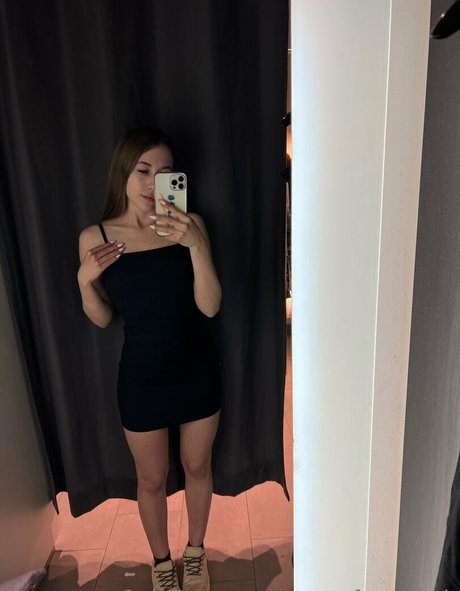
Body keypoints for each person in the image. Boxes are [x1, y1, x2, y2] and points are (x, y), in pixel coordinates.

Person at [77, 127, 222, 591]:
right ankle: (161, 563)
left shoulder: (189, 225)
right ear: (123, 171)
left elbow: (210, 306)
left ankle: (195, 553)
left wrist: (196, 244)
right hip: (142, 378)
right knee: (151, 479)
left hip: (197, 368)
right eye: (143, 170)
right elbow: (103, 318)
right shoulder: (96, 236)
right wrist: (84, 281)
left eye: (164, 172)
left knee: (198, 467)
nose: (151, 182)